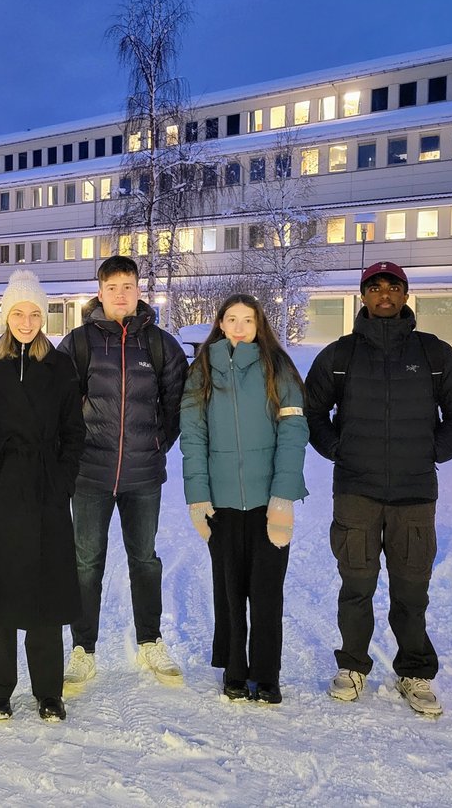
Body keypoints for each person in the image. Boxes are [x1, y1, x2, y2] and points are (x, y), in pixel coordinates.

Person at [305, 261, 452, 717]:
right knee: (356, 585)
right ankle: (353, 665)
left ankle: (415, 672)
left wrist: (431, 453)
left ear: (406, 295)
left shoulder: (434, 355)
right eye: (375, 287)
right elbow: (310, 413)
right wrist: (338, 449)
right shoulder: (339, 357)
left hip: (414, 494)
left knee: (411, 590)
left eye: (393, 287)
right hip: (356, 491)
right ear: (363, 296)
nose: (384, 294)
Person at [0, 270, 85, 723]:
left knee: (47, 595)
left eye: (34, 314)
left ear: (43, 317)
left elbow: (74, 431)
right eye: (18, 313)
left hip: (46, 490)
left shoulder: (60, 365)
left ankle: (48, 691)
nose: (26, 322)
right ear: (5, 315)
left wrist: (63, 479)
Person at [56, 255, 188, 690]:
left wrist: (153, 447)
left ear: (137, 290)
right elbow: (59, 407)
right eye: (111, 286)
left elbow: (176, 408)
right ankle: (83, 649)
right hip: (90, 475)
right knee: (86, 562)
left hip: (143, 476)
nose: (119, 294)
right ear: (99, 292)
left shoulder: (161, 345)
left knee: (144, 560)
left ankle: (150, 640)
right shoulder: (78, 343)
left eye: (127, 285)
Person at [180, 295, 308, 705]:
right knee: (230, 590)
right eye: (231, 319)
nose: (238, 326)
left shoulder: (278, 368)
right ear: (219, 323)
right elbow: (193, 438)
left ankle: (267, 675)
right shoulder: (201, 371)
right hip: (222, 505)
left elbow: (293, 434)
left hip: (267, 501)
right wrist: (198, 498)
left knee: (267, 591)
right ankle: (235, 671)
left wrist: (283, 497)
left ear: (259, 324)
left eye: (247, 320)